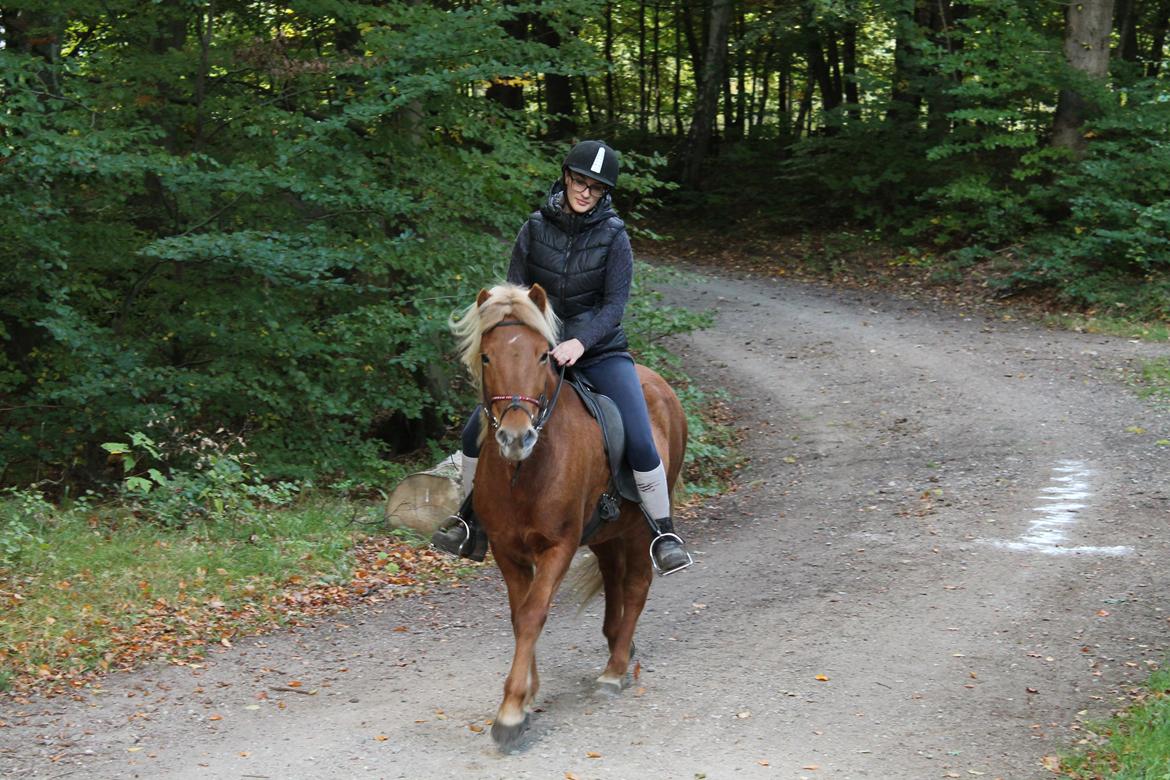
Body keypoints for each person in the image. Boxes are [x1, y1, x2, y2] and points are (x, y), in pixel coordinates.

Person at [432, 139, 692, 575]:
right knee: (474, 428)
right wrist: (527, 341)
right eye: (580, 181)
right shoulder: (534, 229)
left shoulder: (614, 236)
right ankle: (469, 520)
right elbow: (515, 296)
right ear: (566, 177)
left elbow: (613, 305)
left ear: (605, 193)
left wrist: (580, 342)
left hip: (599, 353)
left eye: (596, 187)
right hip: (540, 354)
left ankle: (663, 533)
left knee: (641, 437)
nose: (586, 192)